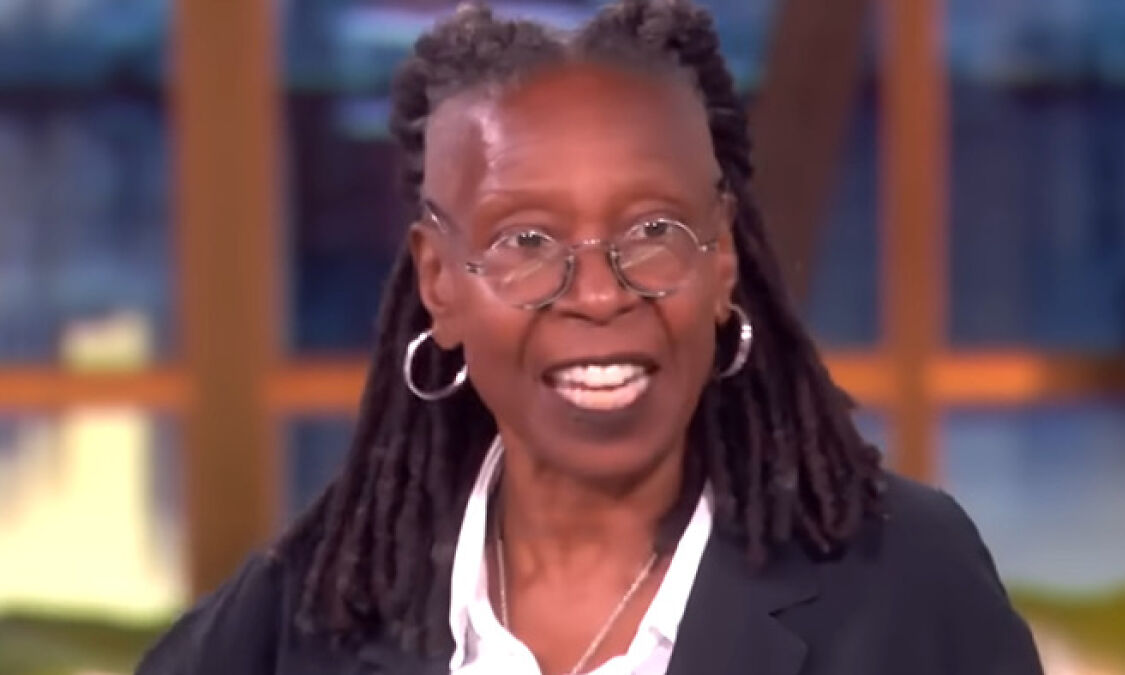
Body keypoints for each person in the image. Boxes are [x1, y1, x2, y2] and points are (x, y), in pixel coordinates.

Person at [137, 0, 1044, 673]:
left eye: (652, 231)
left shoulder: (904, 587)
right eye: (525, 242)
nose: (601, 294)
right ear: (438, 282)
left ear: (722, 258)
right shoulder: (313, 611)